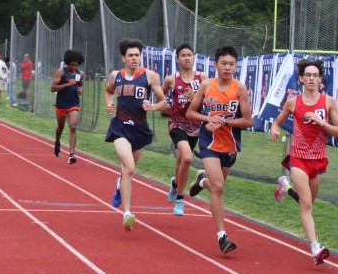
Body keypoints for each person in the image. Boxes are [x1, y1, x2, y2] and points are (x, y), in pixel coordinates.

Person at [270, 58, 338, 265]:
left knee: (308, 202)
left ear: (320, 79)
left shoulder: (329, 102)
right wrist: (274, 130)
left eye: (315, 75)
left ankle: (286, 187)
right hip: (298, 159)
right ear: (301, 79)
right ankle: (315, 248)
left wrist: (322, 123)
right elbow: (277, 122)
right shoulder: (293, 102)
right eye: (308, 75)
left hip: (319, 160)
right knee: (307, 204)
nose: (312, 79)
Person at [185, 45, 253, 255]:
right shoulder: (207, 85)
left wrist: (225, 121)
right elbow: (190, 113)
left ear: (236, 66)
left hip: (230, 144)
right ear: (215, 65)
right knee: (219, 187)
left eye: (231, 64)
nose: (227, 67)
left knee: (216, 186)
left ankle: (201, 181)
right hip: (209, 143)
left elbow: (248, 121)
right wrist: (209, 118)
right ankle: (222, 237)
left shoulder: (240, 88)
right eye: (223, 63)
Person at [104, 38, 167, 231]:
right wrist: (109, 103)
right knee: (129, 168)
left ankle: (119, 184)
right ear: (123, 58)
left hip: (140, 129)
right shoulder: (116, 76)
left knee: (127, 172)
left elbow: (164, 102)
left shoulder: (150, 76)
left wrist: (153, 106)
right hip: (120, 128)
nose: (134, 58)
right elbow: (108, 91)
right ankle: (127, 213)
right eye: (130, 55)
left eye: (137, 55)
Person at [161, 44, 204, 216]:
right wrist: (163, 105)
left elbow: (210, 102)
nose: (187, 58)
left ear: (194, 58)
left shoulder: (203, 78)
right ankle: (180, 199)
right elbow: (160, 94)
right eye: (183, 55)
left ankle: (174, 184)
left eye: (190, 55)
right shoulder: (171, 79)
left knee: (181, 161)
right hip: (176, 124)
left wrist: (196, 98)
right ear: (177, 59)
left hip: (195, 126)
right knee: (187, 157)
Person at [51, 49, 85, 164]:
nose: (74, 67)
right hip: (61, 104)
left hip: (73, 103)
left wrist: (80, 90)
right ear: (67, 63)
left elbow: (80, 85)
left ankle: (71, 155)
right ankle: (57, 142)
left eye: (76, 65)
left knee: (73, 126)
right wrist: (67, 84)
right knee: (60, 127)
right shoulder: (61, 72)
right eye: (72, 65)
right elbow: (53, 88)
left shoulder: (80, 74)